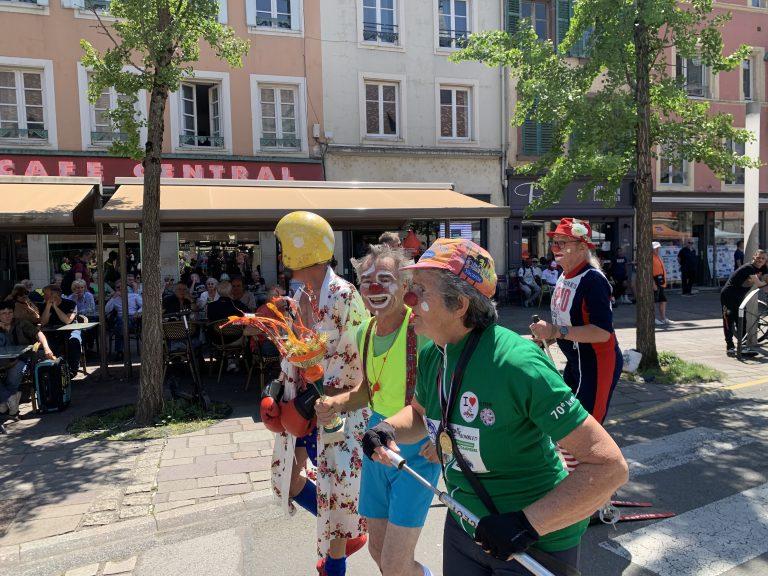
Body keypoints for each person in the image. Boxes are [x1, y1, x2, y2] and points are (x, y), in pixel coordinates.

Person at [362, 238, 628, 576]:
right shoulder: (435, 353)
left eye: (420, 291)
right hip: (466, 522)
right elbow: (419, 411)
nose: (407, 299)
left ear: (459, 304)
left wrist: (525, 525)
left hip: (533, 540)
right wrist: (387, 429)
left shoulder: (518, 365)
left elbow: (609, 467)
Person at [315, 244, 438, 576]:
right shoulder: (363, 331)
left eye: (385, 279)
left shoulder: (423, 329)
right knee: (378, 551)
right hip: (374, 444)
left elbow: (450, 388)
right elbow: (368, 390)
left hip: (416, 447)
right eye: (367, 280)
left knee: (395, 564)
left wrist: (446, 437)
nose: (374, 288)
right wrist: (334, 403)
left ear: (405, 285)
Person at [271, 211, 369, 576]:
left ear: (302, 248)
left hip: (339, 411)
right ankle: (349, 533)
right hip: (303, 407)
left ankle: (336, 558)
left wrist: (329, 391)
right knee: (290, 480)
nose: (282, 254)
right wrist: (279, 392)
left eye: (285, 246)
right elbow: (295, 354)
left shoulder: (344, 294)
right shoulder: (299, 296)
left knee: (338, 492)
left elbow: (360, 361)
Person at [530, 218, 624, 427]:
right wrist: (547, 336)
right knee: (567, 423)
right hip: (575, 362)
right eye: (555, 243)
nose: (556, 248)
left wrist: (554, 330)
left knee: (586, 428)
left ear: (582, 248)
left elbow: (602, 333)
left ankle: (596, 460)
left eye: (563, 243)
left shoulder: (593, 280)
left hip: (596, 363)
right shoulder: (564, 276)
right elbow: (569, 324)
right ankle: (576, 460)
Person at [0, 301, 55, 417]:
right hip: (2, 361)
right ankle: (8, 399)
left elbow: (38, 334)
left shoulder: (21, 324)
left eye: (10, 312)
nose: (7, 316)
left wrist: (46, 348)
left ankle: (4, 402)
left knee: (14, 374)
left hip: (21, 358)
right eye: (3, 313)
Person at [720, 249, 768, 357]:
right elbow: (760, 284)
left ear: (766, 260)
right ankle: (730, 347)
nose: (760, 260)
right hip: (729, 295)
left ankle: (742, 347)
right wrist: (765, 284)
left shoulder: (763, 268)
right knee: (729, 320)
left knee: (742, 320)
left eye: (763, 258)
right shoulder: (749, 268)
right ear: (754, 257)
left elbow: (765, 282)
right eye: (758, 257)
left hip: (740, 297)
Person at [39, 284, 82, 375]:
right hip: (52, 332)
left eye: (46, 294)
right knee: (49, 345)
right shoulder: (43, 305)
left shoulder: (70, 303)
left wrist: (55, 307)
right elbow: (43, 322)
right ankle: (55, 369)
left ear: (54, 295)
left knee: (74, 341)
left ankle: (73, 370)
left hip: (71, 330)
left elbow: (67, 320)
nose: (44, 296)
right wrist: (48, 306)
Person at [105, 279, 143, 361]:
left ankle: (120, 352)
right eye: (118, 287)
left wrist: (138, 312)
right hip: (120, 318)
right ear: (116, 289)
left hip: (132, 318)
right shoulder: (115, 299)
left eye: (122, 287)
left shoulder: (134, 296)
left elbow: (144, 306)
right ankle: (121, 350)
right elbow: (106, 310)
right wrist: (113, 298)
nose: (120, 289)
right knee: (121, 322)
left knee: (120, 325)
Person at [652, 241, 672, 326]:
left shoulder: (658, 257)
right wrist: (653, 283)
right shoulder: (650, 258)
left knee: (663, 300)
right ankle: (652, 318)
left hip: (661, 282)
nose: (658, 250)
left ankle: (663, 318)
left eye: (658, 248)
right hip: (655, 282)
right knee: (653, 301)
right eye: (656, 248)